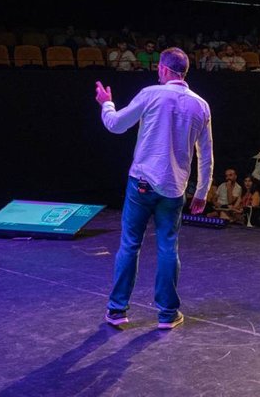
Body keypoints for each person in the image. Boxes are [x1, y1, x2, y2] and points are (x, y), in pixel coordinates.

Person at [95, 48, 213, 329]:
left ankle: (117, 310)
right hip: (173, 190)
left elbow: (115, 125)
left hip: (141, 184)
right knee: (168, 247)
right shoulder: (201, 105)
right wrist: (202, 192)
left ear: (163, 69)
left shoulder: (151, 94)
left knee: (130, 245)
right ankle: (168, 314)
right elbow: (206, 154)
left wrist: (106, 103)